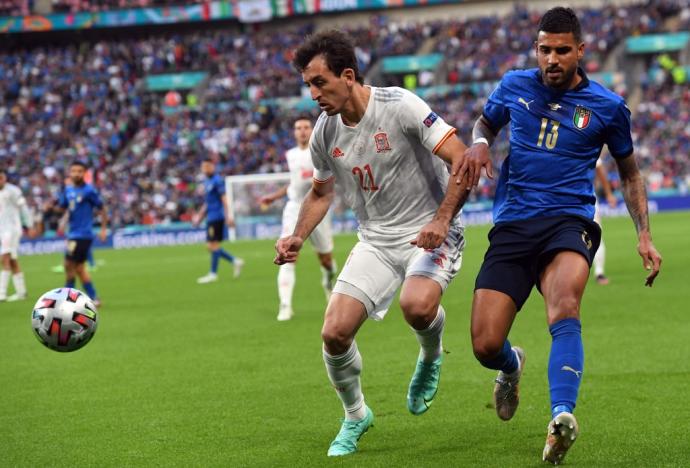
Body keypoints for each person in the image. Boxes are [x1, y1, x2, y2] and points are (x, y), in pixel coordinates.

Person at [458, 7, 662, 464]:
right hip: (513, 223)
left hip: (569, 221)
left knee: (565, 305)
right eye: (545, 49)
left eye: (562, 50)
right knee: (485, 344)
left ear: (580, 51)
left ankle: (560, 418)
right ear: (537, 49)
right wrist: (479, 143)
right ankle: (511, 367)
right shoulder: (513, 85)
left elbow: (630, 175)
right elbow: (485, 125)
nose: (552, 58)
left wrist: (643, 235)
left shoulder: (608, 107)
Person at [275, 30, 470, 457]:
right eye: (308, 84)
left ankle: (431, 355)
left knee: (416, 306)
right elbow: (321, 193)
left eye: (319, 82)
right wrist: (297, 237)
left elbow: (461, 158)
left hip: (430, 230)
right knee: (334, 333)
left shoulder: (400, 105)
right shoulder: (325, 134)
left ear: (348, 76)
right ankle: (356, 414)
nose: (313, 94)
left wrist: (441, 219)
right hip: (376, 240)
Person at [260, 117, 338, 321]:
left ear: (312, 130)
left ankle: (327, 281)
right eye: (298, 128)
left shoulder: (321, 150)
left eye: (305, 127)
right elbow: (293, 183)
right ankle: (285, 305)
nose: (302, 131)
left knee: (327, 260)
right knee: (287, 255)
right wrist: (274, 196)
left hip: (318, 207)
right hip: (294, 208)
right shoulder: (290, 155)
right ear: (294, 133)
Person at [52, 161, 108, 305]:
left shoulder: (89, 191)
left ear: (85, 173)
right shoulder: (68, 190)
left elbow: (102, 208)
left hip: (83, 234)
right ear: (70, 173)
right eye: (74, 171)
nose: (76, 173)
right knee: (75, 267)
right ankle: (91, 297)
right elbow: (63, 208)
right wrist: (51, 207)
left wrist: (103, 229)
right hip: (73, 234)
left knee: (71, 265)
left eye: (79, 171)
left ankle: (70, 297)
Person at [194, 158, 244, 284]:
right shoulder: (206, 182)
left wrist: (229, 217)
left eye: (207, 166)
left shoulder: (217, 181)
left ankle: (213, 273)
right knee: (211, 246)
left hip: (217, 217)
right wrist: (200, 216)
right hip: (210, 216)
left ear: (213, 167)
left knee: (212, 245)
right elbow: (207, 202)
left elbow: (224, 200)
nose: (205, 169)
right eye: (203, 166)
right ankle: (235, 261)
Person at [0, 168, 35, 302]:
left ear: (5, 178)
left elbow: (24, 209)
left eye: (1, 178)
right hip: (2, 230)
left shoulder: (13, 191)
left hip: (12, 229)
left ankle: (1, 293)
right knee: (13, 260)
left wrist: (30, 225)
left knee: (4, 258)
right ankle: (21, 292)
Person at [593, 156, 618, 284]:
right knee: (597, 235)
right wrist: (608, 194)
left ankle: (599, 272)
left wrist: (608, 193)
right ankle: (599, 273)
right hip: (585, 197)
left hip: (584, 197)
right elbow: (599, 169)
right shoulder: (585, 140)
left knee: (596, 235)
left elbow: (599, 169)